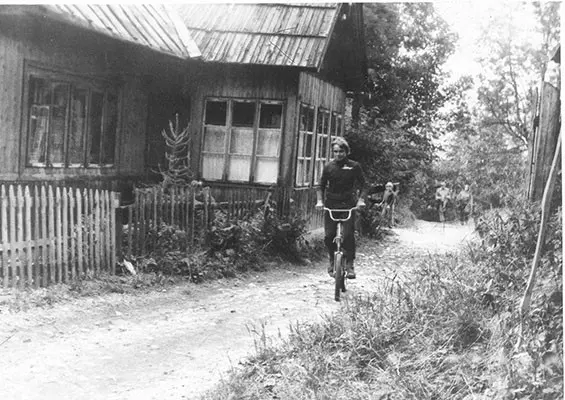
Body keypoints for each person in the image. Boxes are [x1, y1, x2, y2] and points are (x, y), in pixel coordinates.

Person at [316, 137, 366, 279]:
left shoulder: (354, 166)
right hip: (331, 205)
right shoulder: (329, 167)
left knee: (348, 235)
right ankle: (332, 260)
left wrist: (361, 200)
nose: (338, 154)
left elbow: (364, 185)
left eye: (341, 151)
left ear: (346, 151)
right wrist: (319, 201)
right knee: (329, 236)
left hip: (348, 205)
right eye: (335, 151)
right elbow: (320, 185)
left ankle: (349, 264)